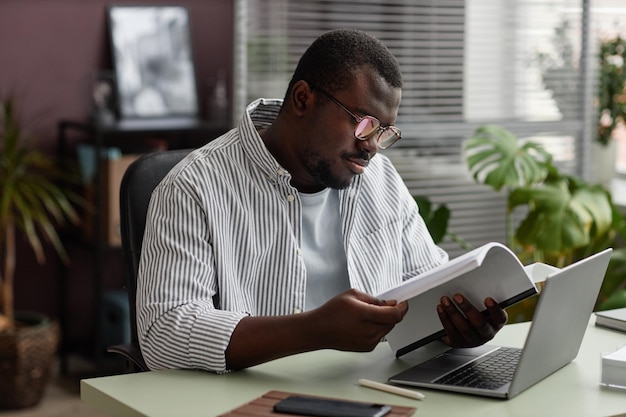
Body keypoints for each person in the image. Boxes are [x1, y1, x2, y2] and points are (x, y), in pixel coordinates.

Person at [136, 28, 507, 373]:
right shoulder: (193, 187)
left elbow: (427, 288)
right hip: (253, 400)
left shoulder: (381, 180)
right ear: (303, 99)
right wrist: (314, 331)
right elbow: (164, 333)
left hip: (371, 388)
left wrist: (456, 326)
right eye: (363, 123)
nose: (371, 148)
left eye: (384, 132)